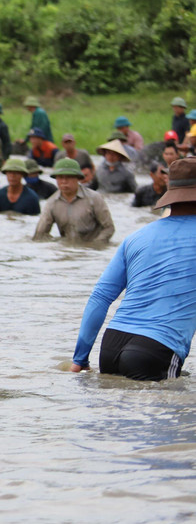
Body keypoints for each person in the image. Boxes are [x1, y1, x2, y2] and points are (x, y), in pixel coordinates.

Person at [71, 157, 196, 380]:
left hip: (111, 346)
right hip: (157, 348)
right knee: (177, 412)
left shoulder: (136, 237)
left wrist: (80, 358)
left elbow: (100, 297)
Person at [34, 158, 114, 243]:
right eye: (60, 177)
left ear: (78, 178)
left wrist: (95, 245)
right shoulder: (52, 203)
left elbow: (109, 228)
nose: (64, 181)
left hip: (91, 250)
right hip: (67, 249)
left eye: (69, 177)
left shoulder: (94, 198)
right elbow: (40, 234)